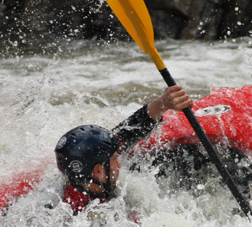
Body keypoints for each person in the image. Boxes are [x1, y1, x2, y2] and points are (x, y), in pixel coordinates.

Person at [55, 85, 193, 215]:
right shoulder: (80, 214)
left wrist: (164, 102)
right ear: (97, 171)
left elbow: (130, 130)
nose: (120, 164)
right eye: (115, 159)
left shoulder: (86, 173)